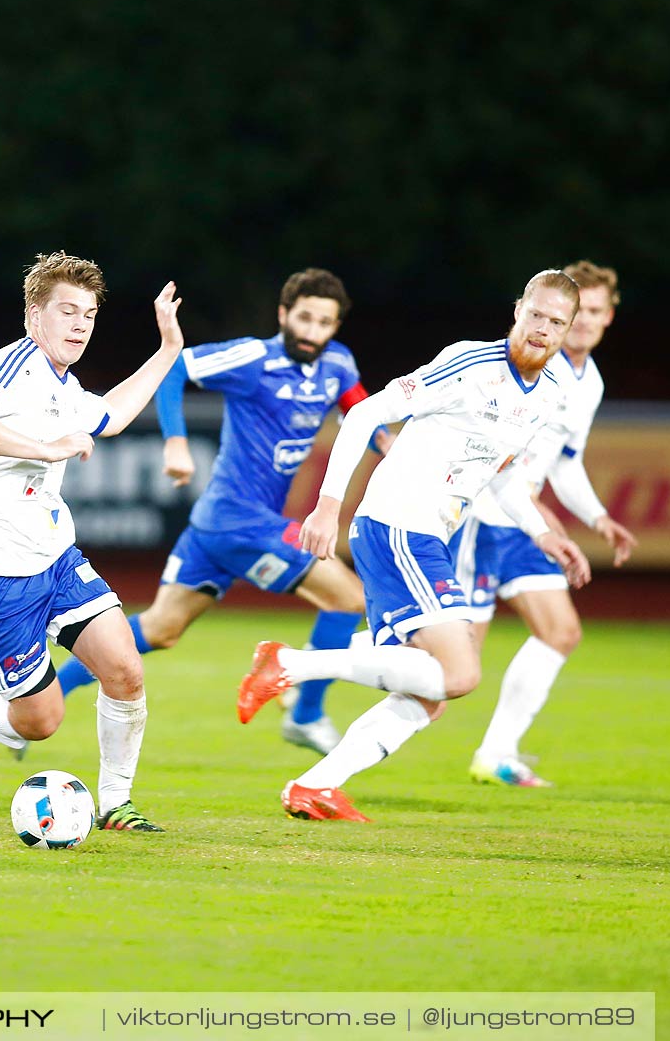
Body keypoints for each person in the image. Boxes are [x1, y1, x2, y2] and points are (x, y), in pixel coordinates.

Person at [237, 269, 592, 822]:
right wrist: (328, 506)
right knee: (462, 674)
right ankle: (290, 664)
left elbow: (498, 475)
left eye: (557, 322)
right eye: (536, 314)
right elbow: (364, 412)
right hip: (397, 525)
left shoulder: (549, 395)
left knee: (429, 695)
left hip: (432, 536)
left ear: (569, 330)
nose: (543, 328)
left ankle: (316, 785)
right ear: (517, 310)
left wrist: (543, 531)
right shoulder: (470, 364)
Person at [52, 268, 374, 756]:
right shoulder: (253, 357)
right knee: (349, 599)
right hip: (241, 519)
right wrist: (176, 444)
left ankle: (50, 693)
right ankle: (306, 715)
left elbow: (363, 415)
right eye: (304, 317)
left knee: (160, 629)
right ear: (285, 314)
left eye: (324, 322)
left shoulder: (339, 365)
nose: (312, 331)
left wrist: (398, 450)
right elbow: (176, 368)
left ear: (335, 327)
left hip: (217, 525)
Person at [0, 252, 183, 831]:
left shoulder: (65, 383)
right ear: (35, 315)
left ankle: (116, 805)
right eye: (67, 311)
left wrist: (167, 352)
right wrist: (46, 448)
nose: (80, 324)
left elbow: (109, 414)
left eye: (88, 313)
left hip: (56, 560)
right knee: (40, 721)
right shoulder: (16, 363)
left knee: (125, 670)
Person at [457, 261, 637, 788]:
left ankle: (496, 754)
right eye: (578, 313)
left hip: (521, 520)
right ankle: (307, 665)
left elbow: (564, 460)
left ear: (604, 317)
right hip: (477, 517)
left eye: (597, 312)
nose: (585, 323)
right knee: (446, 669)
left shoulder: (590, 382)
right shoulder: (530, 360)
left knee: (560, 632)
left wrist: (598, 516)